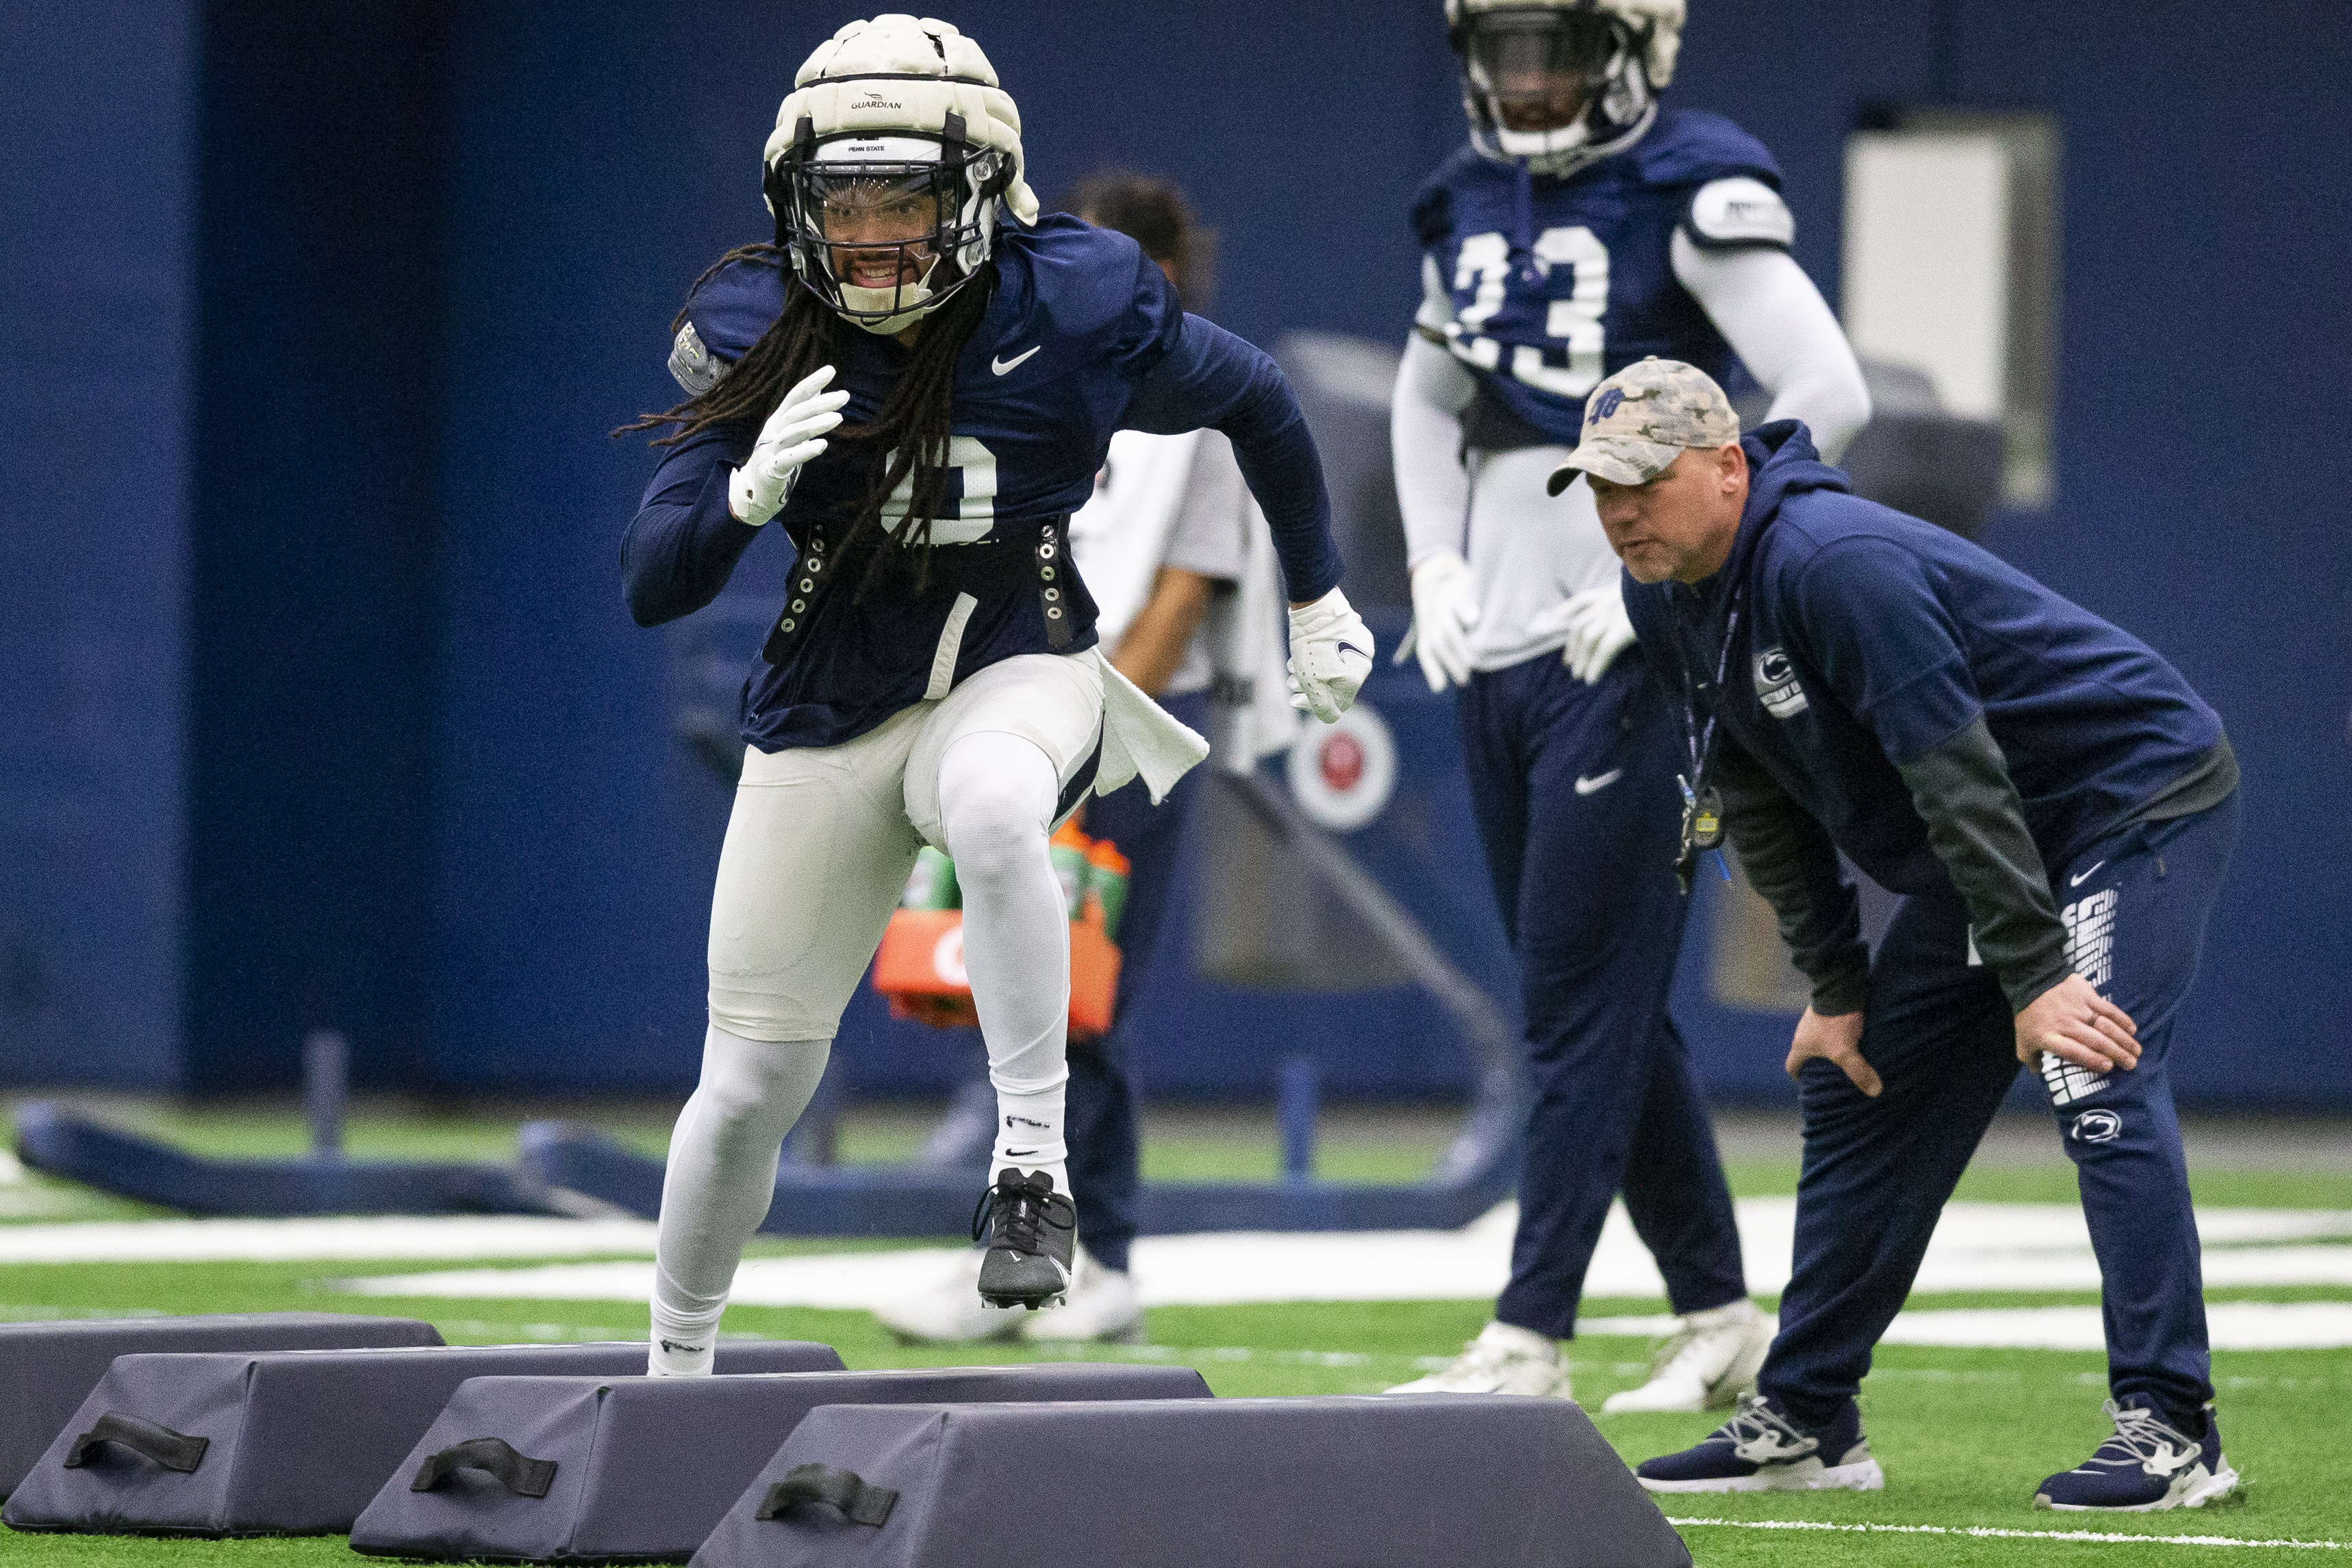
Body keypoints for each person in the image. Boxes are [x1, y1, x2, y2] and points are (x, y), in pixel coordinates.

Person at [618, 16, 1371, 1376]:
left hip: (1017, 658)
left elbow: (1253, 396)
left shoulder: (1069, 296)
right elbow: (652, 580)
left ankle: (1032, 1165)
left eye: (902, 199)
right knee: (743, 1090)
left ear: (976, 192)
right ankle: (673, 1373)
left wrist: (1315, 594)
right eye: (840, 205)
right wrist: (742, 496)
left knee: (991, 797)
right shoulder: (758, 317)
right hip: (829, 704)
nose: (869, 237)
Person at [1564, 357, 2240, 1511]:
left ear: (1727, 468)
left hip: (2125, 794)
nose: (1620, 509)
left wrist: (2035, 978)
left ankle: (2175, 1432)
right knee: (1858, 1073)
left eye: (1645, 479)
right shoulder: (1665, 593)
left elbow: (1959, 777)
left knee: (2093, 1064)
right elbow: (1754, 793)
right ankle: (1810, 1421)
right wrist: (1834, 981)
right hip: (2001, 834)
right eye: (1598, 487)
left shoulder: (1835, 565)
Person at [1385, 0, 1869, 1413]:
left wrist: (1684, 564)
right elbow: (1425, 401)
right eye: (1505, 51)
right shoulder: (1464, 194)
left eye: (1557, 50)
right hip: (1497, 636)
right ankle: (1718, 1310)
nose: (1527, 82)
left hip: (1628, 646)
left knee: (1573, 1006)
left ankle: (1528, 1333)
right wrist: (1425, 557)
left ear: (1630, 52)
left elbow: (1821, 384)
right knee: (1591, 998)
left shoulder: (1692, 179)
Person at [870, 172, 1295, 1345]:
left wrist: (1076, 738)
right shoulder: (1042, 389)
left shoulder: (1199, 413)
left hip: (1121, 742)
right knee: (1007, 989)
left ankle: (1101, 1250)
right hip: (1020, 724)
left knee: (1083, 996)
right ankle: (1014, 1246)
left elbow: (1174, 606)